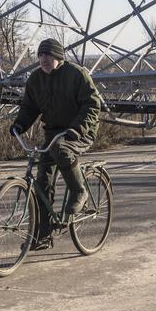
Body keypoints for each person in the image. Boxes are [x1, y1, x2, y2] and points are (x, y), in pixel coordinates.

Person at [10, 38, 102, 248]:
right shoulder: (35, 79)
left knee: (62, 149)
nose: (44, 59)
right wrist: (19, 124)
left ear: (59, 57)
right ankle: (42, 236)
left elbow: (92, 105)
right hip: (53, 134)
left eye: (48, 55)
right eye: (41, 55)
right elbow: (29, 107)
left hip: (80, 132)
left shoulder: (76, 74)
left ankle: (79, 191)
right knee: (42, 182)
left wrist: (77, 128)